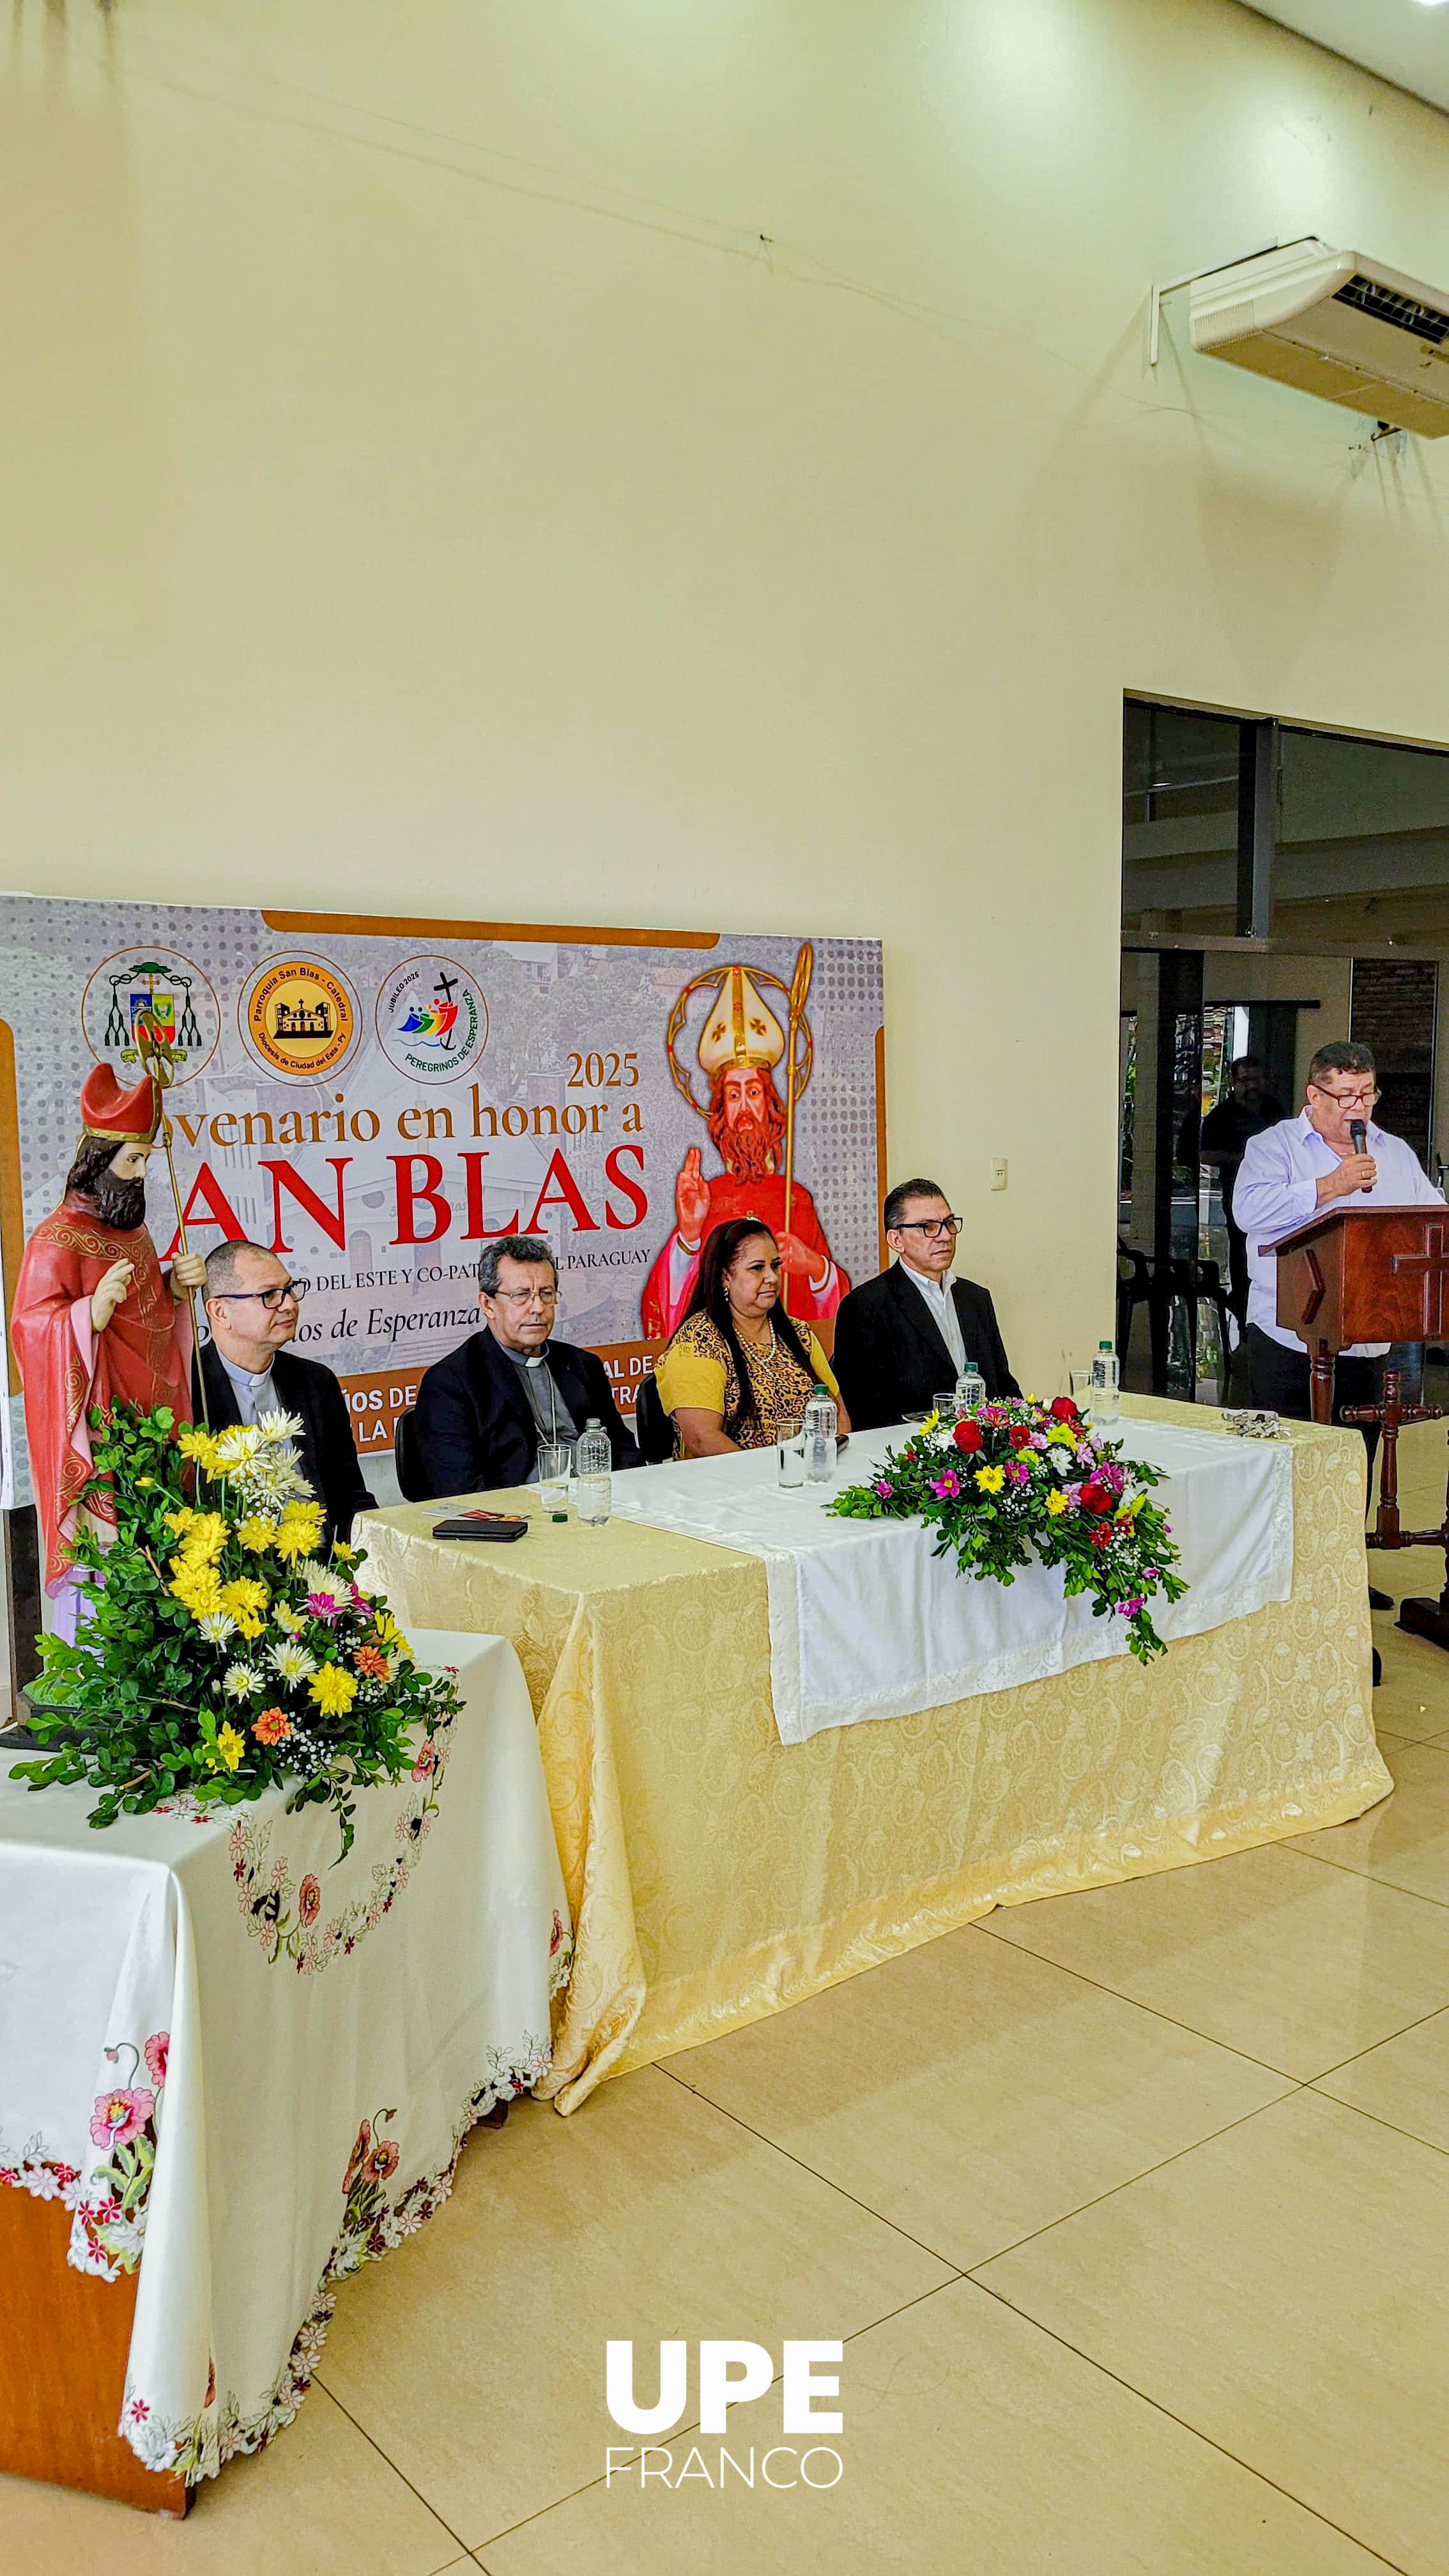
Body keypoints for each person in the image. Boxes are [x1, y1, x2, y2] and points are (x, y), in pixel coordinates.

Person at [1234, 1041, 1444, 1608]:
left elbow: (1429, 1217)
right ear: (1314, 1094)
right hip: (1290, 1336)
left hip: (1371, 1336)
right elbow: (1250, 1214)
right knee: (1290, 1463)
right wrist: (1332, 1185)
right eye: (1345, 1095)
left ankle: (1341, 1573)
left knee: (1357, 1460)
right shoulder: (1272, 1146)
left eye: (1367, 1094)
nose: (1358, 1107)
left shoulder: (1394, 1152)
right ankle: (1282, 1585)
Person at [10, 1065, 207, 1637]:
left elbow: (147, 1321)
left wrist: (171, 1288)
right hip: (96, 1435)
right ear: (99, 1162)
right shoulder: (55, 1239)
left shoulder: (134, 1232)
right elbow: (29, 1329)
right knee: (105, 1574)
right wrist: (82, 1318)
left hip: (148, 1425)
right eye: (132, 1161)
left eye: (145, 1160)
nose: (141, 1174)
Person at [643, 965, 847, 1338]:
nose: (745, 1109)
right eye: (733, 1095)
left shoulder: (795, 1199)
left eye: (753, 1092)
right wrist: (689, 1236)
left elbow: (836, 1311)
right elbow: (667, 1308)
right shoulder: (708, 1199)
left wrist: (815, 1267)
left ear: (770, 1104)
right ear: (720, 1110)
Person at [412, 1236, 640, 1498]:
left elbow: (624, 1454)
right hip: (516, 1524)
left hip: (599, 1508)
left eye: (546, 1294)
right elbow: (461, 1492)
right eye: (521, 1296)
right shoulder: (452, 1383)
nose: (538, 1308)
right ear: (488, 1305)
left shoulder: (582, 1366)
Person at [196, 1241, 375, 1551]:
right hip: (230, 1577)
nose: (289, 1304)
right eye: (269, 1296)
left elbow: (349, 1497)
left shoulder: (316, 1382)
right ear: (220, 1312)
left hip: (324, 1567)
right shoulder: (187, 1390)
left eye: (290, 1290)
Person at [831, 1178, 1020, 1432]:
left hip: (985, 1451)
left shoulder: (976, 1298)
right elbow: (868, 1413)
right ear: (897, 1240)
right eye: (928, 1227)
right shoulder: (865, 1307)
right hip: (910, 1454)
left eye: (949, 1224)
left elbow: (1004, 1386)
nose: (945, 1236)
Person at [654, 1217, 850, 1456]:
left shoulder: (799, 1334)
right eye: (757, 1268)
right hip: (731, 1485)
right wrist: (775, 1475)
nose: (772, 1277)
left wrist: (818, 1464)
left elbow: (838, 1415)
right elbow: (702, 1440)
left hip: (810, 1474)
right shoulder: (697, 1342)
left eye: (775, 1265)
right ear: (725, 1276)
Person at [1197, 1056, 1285, 1322]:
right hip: (1238, 1193)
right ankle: (1242, 1304)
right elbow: (1203, 1154)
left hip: (1276, 1192)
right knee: (1240, 1248)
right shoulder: (1220, 1116)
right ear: (1235, 1082)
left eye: (1258, 1079)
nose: (1253, 1086)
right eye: (1246, 1080)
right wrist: (1239, 1160)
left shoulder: (1274, 1110)